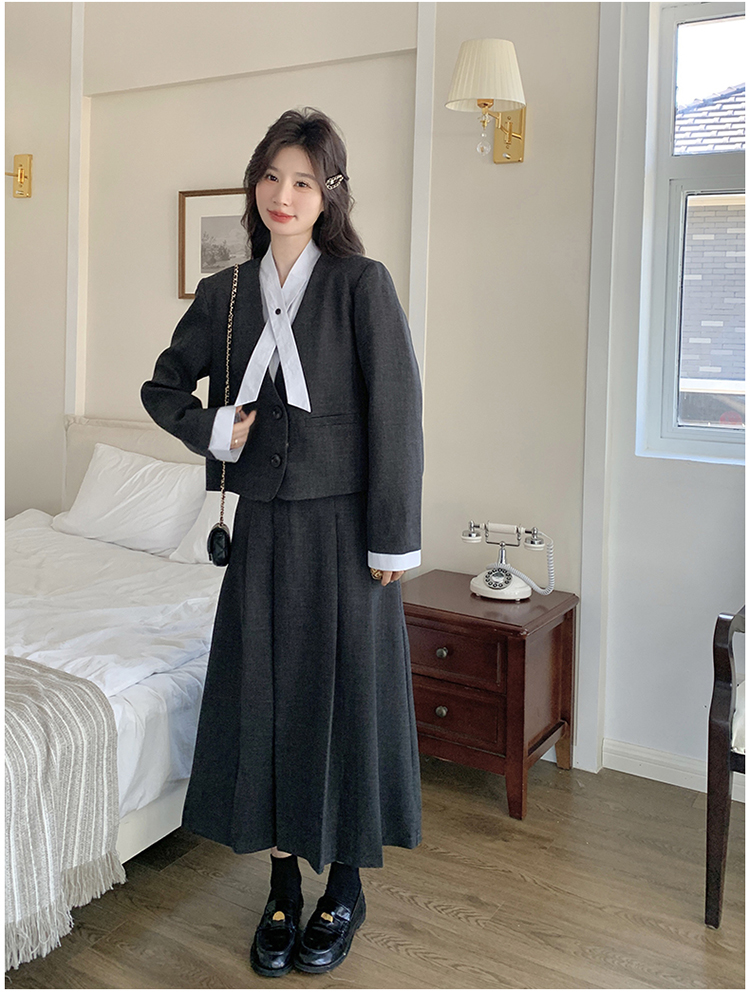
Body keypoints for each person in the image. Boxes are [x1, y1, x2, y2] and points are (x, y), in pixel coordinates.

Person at [141, 108, 423, 977]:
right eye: (271, 176)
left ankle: (345, 885)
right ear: (255, 184)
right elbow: (162, 387)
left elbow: (397, 414)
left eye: (303, 180)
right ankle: (280, 886)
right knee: (265, 701)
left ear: (328, 193)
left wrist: (392, 540)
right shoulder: (224, 294)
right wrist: (212, 426)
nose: (283, 195)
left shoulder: (361, 283)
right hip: (261, 524)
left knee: (342, 704)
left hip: (348, 534)